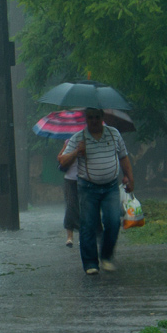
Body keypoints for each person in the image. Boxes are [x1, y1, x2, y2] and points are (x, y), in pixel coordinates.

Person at [58, 107, 134, 275]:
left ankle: (106, 256)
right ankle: (90, 263)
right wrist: (77, 151)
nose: (93, 121)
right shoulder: (78, 138)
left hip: (110, 187)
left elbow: (123, 156)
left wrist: (129, 177)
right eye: (90, 117)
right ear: (86, 119)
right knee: (88, 225)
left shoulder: (114, 134)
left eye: (97, 117)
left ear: (102, 117)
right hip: (88, 188)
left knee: (113, 221)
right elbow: (62, 162)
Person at [58, 144, 80, 248]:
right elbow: (60, 158)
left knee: (84, 208)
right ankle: (69, 237)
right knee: (70, 207)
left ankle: (83, 236)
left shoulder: (90, 141)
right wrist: (75, 152)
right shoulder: (69, 142)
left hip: (86, 179)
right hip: (70, 179)